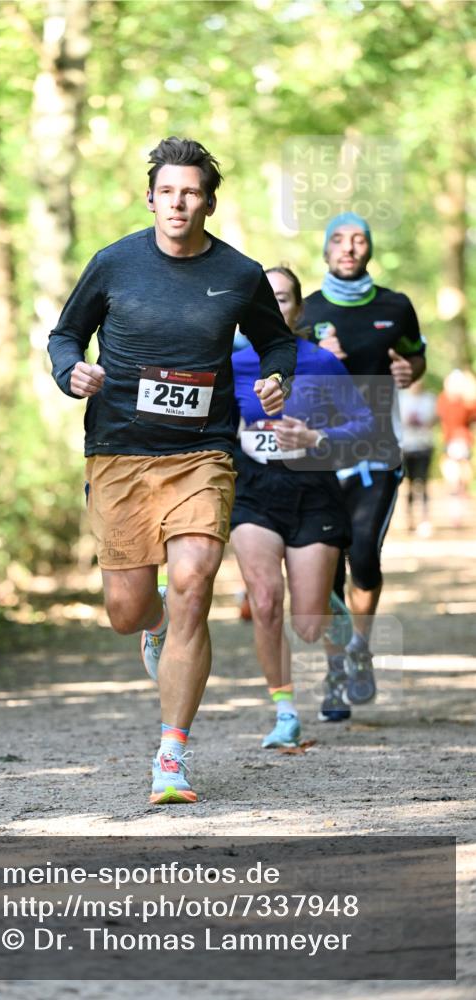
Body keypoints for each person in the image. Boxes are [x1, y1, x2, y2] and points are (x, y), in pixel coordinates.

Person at [48, 137, 296, 804]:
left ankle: (170, 756)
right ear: (150, 198)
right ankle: (154, 628)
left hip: (201, 454)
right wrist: (70, 371)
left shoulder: (240, 274)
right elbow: (64, 334)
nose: (178, 202)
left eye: (191, 192)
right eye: (167, 191)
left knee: (192, 580)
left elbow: (277, 341)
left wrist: (275, 377)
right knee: (127, 611)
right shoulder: (113, 264)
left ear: (208, 203)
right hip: (119, 451)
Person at [230, 266, 373, 747]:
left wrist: (317, 437)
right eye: (265, 301)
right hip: (254, 491)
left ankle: (332, 607)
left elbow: (365, 428)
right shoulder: (230, 365)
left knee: (309, 626)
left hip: (314, 490)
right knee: (266, 601)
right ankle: (285, 710)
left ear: (298, 310)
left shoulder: (321, 363)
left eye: (285, 299)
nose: (276, 308)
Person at [302, 212, 426, 707]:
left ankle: (361, 645)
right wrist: (315, 356)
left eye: (358, 240)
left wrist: (408, 370)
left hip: (377, 453)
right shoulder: (305, 312)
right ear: (326, 249)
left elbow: (416, 357)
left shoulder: (395, 307)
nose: (349, 248)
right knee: (326, 571)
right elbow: (277, 374)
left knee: (365, 554)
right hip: (319, 458)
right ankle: (336, 668)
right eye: (339, 239)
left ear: (369, 249)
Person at [436, 368, 476, 528]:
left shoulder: (467, 402)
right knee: (453, 481)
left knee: (459, 481)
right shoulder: (445, 400)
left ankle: (457, 514)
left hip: (462, 443)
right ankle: (455, 513)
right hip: (451, 443)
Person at [400, 379, 437, 535]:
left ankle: (424, 518)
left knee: (422, 483)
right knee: (407, 484)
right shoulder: (401, 399)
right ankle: (408, 518)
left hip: (424, 446)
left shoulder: (429, 399)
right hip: (406, 446)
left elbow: (434, 419)